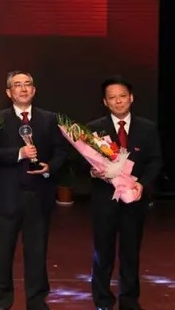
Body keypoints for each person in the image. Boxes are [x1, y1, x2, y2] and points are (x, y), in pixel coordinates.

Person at [0, 70, 66, 310]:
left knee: (37, 253)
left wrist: (50, 166)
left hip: (38, 197)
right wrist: (18, 153)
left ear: (34, 90)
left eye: (27, 84)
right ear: (8, 92)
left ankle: (37, 301)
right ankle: (1, 302)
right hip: (7, 197)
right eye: (17, 85)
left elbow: (61, 151)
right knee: (3, 254)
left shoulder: (49, 119)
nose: (23, 89)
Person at [87, 76, 162, 310]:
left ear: (131, 98)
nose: (118, 101)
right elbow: (80, 162)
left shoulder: (147, 127)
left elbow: (155, 161)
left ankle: (129, 301)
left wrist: (142, 184)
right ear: (105, 102)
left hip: (134, 201)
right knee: (103, 253)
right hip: (104, 201)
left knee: (130, 253)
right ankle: (103, 301)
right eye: (112, 98)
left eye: (122, 96)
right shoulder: (93, 128)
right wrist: (93, 171)